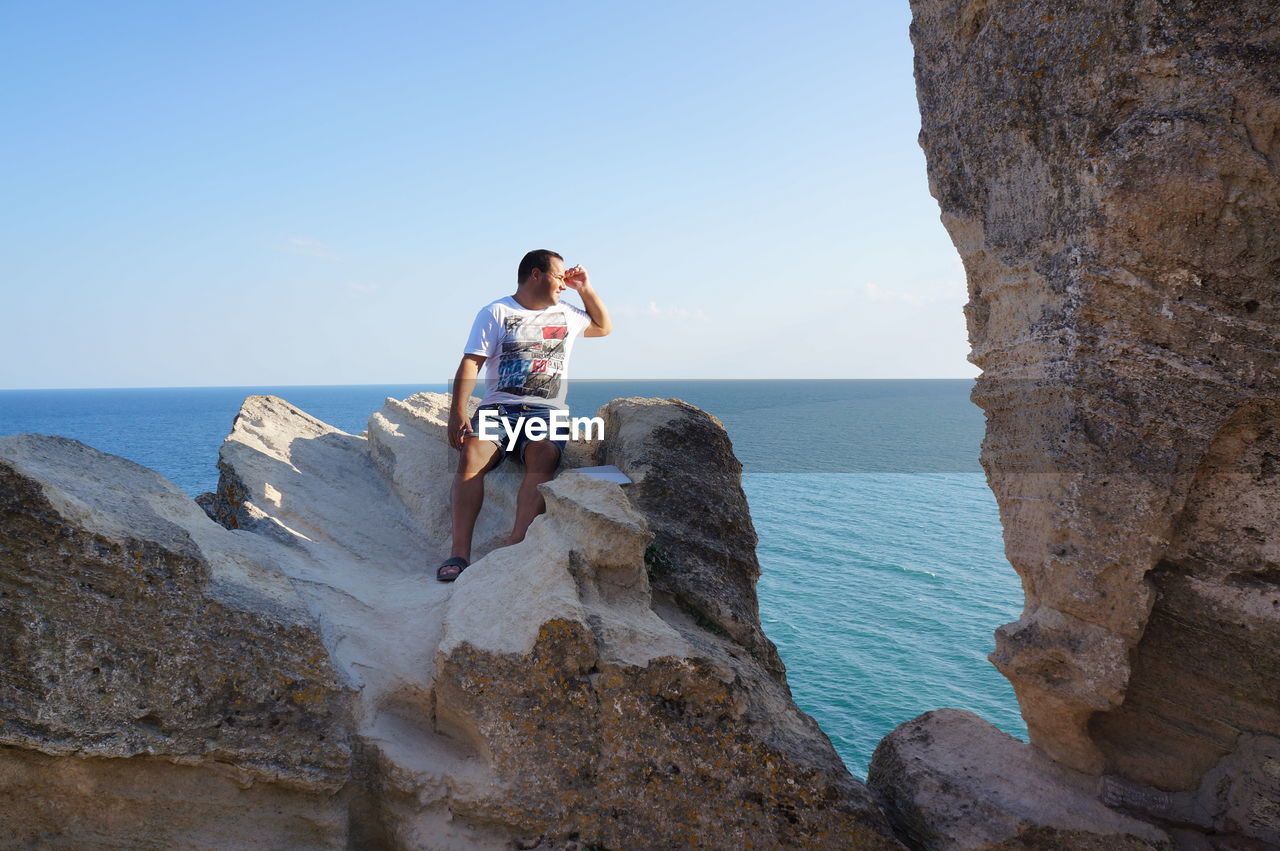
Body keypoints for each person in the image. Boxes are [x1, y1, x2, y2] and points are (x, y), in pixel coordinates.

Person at [437, 249, 612, 582]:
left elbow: (604, 327)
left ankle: (514, 549)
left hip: (547, 412)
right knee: (472, 454)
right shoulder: (496, 311)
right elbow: (471, 362)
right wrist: (457, 412)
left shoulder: (567, 314)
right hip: (498, 409)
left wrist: (585, 287)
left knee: (543, 454)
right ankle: (459, 554)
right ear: (536, 274)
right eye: (560, 276)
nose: (564, 284)